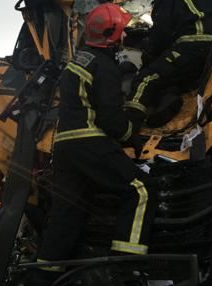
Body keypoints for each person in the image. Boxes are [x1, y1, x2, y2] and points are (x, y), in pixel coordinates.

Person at [30, 4, 157, 285]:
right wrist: (132, 137)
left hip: (63, 146)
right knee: (140, 190)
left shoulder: (79, 61)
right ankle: (127, 269)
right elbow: (112, 121)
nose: (126, 35)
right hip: (88, 141)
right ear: (114, 35)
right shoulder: (105, 65)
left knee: (67, 213)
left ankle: (41, 277)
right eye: (123, 30)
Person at [125, 0, 212, 130]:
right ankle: (168, 102)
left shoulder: (167, 3)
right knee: (171, 76)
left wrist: (148, 60)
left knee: (147, 79)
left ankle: (130, 126)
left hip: (192, 44)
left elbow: (161, 34)